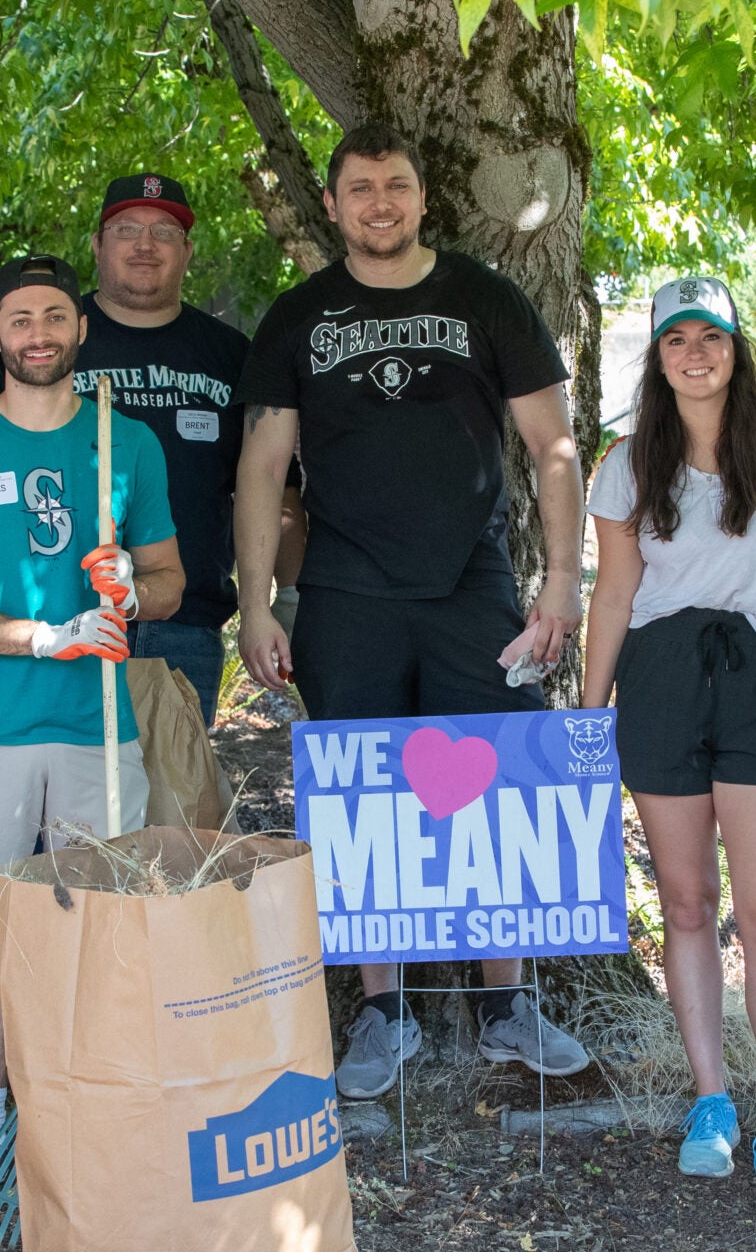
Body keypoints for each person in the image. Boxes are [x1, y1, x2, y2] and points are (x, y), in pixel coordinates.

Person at [236, 123, 593, 1100]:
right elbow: (264, 465)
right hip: (345, 591)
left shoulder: (484, 298)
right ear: (336, 203)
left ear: (422, 196)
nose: (379, 202)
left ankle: (505, 1004)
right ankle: (384, 1016)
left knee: (505, 783)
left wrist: (562, 582)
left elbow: (552, 449)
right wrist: (258, 604)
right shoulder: (298, 317)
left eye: (395, 184)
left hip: (470, 582)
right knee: (360, 803)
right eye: (360, 188)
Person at [0, 255, 183, 1149]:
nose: (38, 334)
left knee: (103, 936)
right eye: (20, 319)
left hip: (96, 728)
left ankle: (90, 1124)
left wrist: (131, 590)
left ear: (80, 329)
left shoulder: (125, 442)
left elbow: (174, 582)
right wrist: (43, 635)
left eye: (54, 316)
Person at [582, 276, 756, 1191]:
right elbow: (612, 593)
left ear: (737, 346)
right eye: (678, 337)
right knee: (686, 904)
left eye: (713, 336)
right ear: (658, 353)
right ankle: (711, 1099)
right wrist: (588, 713)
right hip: (660, 678)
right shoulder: (626, 462)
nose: (697, 352)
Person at [0, 174, 299, 724]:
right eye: (126, 229)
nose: (144, 244)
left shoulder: (230, 353)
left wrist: (278, 600)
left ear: (188, 251)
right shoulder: (46, 328)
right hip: (52, 619)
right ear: (99, 245)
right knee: (65, 798)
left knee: (171, 801)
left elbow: (272, 483)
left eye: (163, 231)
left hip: (184, 619)